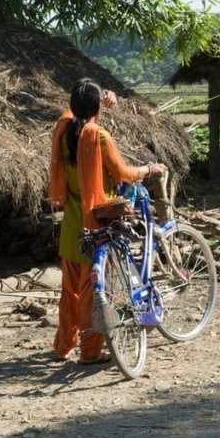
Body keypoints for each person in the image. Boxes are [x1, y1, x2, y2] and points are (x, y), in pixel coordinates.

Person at [48, 78, 167, 364]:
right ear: (98, 105)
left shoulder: (62, 130)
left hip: (72, 222)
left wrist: (98, 104)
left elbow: (73, 112)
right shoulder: (99, 136)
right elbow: (123, 172)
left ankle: (63, 347)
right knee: (94, 291)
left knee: (70, 291)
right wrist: (150, 168)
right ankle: (90, 352)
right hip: (96, 223)